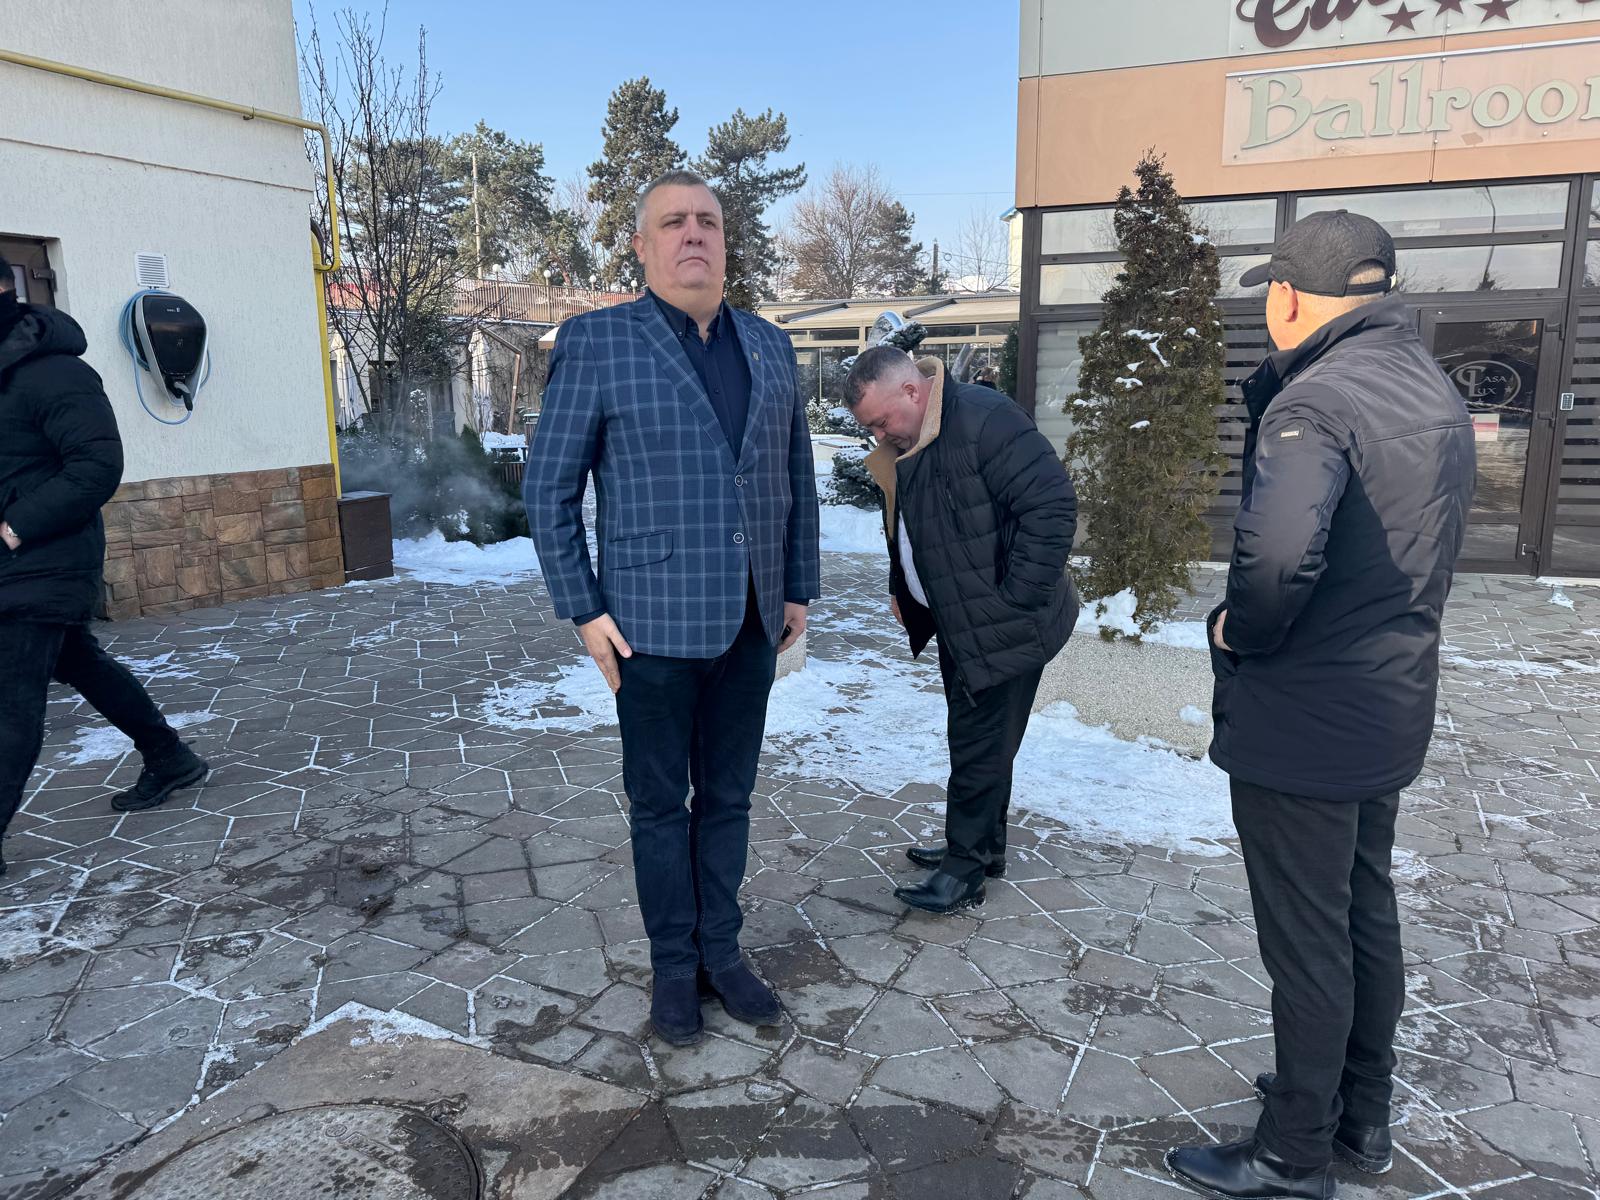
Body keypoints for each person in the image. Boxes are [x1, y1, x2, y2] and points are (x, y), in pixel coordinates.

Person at [1165, 211, 1475, 1200]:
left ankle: (1293, 1152)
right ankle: (1360, 1115)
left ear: (1290, 297)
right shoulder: (1427, 385)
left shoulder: (1317, 400)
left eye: (1269, 290)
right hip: (1388, 700)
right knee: (1362, 909)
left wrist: (1235, 633)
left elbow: (1276, 560)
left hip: (1307, 716)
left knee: (1306, 940)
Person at [525, 170, 820, 1046]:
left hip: (752, 620)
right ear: (642, 246)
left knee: (729, 799)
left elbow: (794, 477)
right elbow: (548, 489)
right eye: (674, 223)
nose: (694, 234)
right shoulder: (598, 343)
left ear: (726, 242)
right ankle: (671, 969)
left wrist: (796, 587)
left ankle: (721, 954)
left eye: (708, 222)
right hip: (646, 626)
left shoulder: (770, 345)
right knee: (660, 806)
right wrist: (584, 610)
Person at [844, 345, 1078, 915]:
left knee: (978, 744)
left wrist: (1014, 601)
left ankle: (964, 869)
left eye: (881, 421)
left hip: (1002, 623)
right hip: (961, 619)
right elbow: (908, 523)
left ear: (911, 390)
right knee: (984, 741)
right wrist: (904, 588)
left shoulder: (985, 419)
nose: (879, 435)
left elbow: (1052, 508)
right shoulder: (913, 437)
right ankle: (982, 848)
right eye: (870, 427)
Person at [0, 253, 210, 878]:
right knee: (78, 661)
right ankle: (169, 757)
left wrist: (16, 526)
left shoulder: (55, 372)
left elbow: (96, 466)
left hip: (41, 560)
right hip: (18, 565)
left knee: (11, 705)